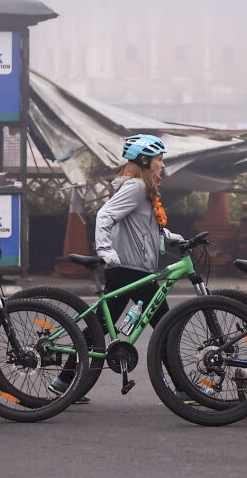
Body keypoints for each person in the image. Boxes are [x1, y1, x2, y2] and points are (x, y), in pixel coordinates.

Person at [49, 134, 185, 398]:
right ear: (144, 160)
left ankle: (64, 380)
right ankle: (182, 387)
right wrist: (105, 250)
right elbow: (105, 215)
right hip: (128, 269)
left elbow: (144, 231)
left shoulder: (142, 188)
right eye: (159, 159)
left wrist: (176, 239)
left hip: (134, 269)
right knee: (166, 326)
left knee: (98, 327)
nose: (162, 164)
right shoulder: (136, 187)